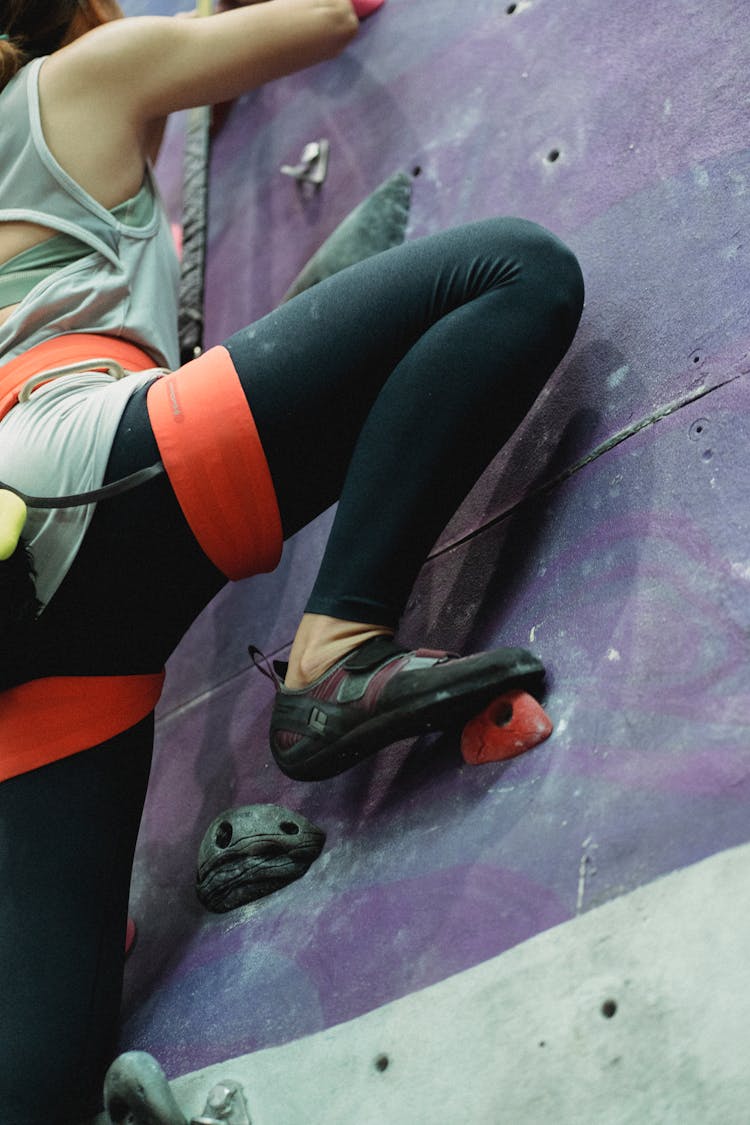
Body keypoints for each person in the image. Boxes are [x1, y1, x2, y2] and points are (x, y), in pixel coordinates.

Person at [0, 0, 584, 1119]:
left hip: (25, 627)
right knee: (510, 273)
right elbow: (324, 18)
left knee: (38, 1081)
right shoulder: (81, 79)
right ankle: (336, 654)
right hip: (82, 470)